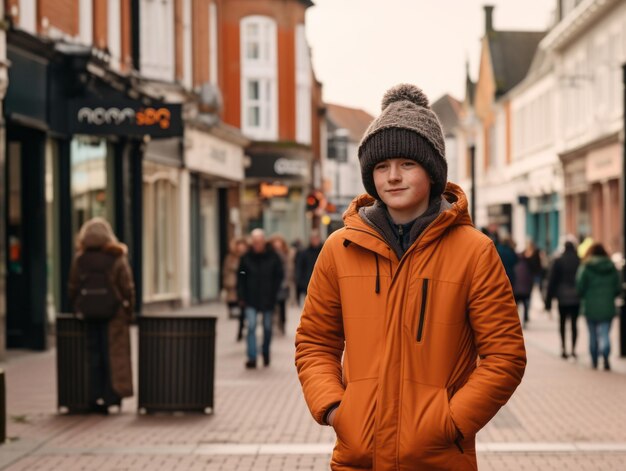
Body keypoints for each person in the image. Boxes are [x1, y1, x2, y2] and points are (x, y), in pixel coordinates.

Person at [295, 84, 526, 470]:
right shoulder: (339, 249)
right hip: (359, 458)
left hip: (439, 457)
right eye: (382, 167)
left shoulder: (474, 251)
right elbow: (315, 342)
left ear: (431, 171)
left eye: (407, 164)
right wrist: (336, 409)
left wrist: (451, 422)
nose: (393, 177)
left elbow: (505, 356)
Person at [68, 218, 135, 414]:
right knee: (113, 355)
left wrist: (77, 307)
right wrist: (128, 311)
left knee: (92, 355)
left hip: (88, 315)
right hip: (114, 315)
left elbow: (72, 286)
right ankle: (111, 396)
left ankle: (92, 395)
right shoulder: (116, 257)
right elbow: (127, 287)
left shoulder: (80, 259)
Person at [238, 229, 284, 368]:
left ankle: (265, 353)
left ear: (264, 241)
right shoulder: (246, 257)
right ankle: (252, 357)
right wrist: (241, 295)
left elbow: (279, 275)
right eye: (255, 242)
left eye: (259, 242)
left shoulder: (273, 257)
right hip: (250, 298)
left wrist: (274, 292)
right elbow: (241, 275)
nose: (257, 245)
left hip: (267, 298)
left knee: (267, 328)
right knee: (251, 326)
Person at [576, 242, 620, 370]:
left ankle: (594, 360)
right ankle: (605, 354)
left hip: (590, 306)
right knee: (605, 333)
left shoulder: (586, 266)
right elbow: (617, 288)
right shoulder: (611, 266)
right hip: (607, 306)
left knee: (593, 335)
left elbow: (580, 286)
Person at [545, 239, 580, 359]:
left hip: (562, 296)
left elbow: (552, 281)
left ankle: (564, 348)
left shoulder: (559, 261)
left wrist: (548, 302)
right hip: (576, 297)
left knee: (562, 323)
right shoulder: (578, 260)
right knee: (574, 324)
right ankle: (573, 349)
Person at [222, 237, 249, 341]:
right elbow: (225, 272)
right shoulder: (230, 258)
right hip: (233, 286)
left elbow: (244, 272)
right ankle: (240, 331)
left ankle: (241, 330)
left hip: (244, 287)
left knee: (243, 311)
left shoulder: (247, 257)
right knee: (238, 310)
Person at [270, 234, 292, 334]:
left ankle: (282, 324)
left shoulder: (286, 253)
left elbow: (289, 269)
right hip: (273, 283)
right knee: (273, 305)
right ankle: (274, 324)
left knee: (282, 306)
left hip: (283, 283)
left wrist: (286, 281)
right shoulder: (270, 254)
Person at [295, 230, 323, 305]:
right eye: (313, 238)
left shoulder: (324, 251)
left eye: (316, 238)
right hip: (308, 284)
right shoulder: (304, 252)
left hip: (322, 284)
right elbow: (299, 268)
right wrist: (301, 282)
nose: (315, 240)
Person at [514, 247, 533, 328]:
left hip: (516, 290)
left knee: (516, 306)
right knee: (525, 305)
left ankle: (515, 320)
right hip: (525, 290)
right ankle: (525, 319)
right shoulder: (527, 266)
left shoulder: (515, 266)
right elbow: (529, 279)